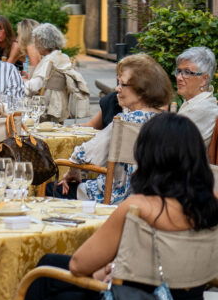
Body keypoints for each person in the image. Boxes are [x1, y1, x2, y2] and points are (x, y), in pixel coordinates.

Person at [0, 112, 218, 300]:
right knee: (48, 263)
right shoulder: (211, 205)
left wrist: (108, 271)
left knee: (39, 290)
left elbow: (79, 265)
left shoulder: (139, 208)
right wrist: (120, 268)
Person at [56, 53, 172, 203]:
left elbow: (82, 155)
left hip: (113, 196)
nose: (117, 88)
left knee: (52, 187)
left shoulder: (126, 121)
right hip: (151, 198)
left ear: (142, 89)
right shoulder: (167, 120)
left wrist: (72, 172)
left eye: (123, 84)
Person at [24, 23, 89, 121]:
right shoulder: (63, 57)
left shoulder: (49, 60)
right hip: (60, 103)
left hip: (47, 106)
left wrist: (21, 82)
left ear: (43, 42)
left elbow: (34, 86)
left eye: (37, 41)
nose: (35, 45)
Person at [175, 47, 218, 147]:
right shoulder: (196, 103)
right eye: (179, 71)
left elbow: (170, 147)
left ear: (204, 79)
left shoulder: (201, 109)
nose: (179, 77)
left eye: (187, 72)